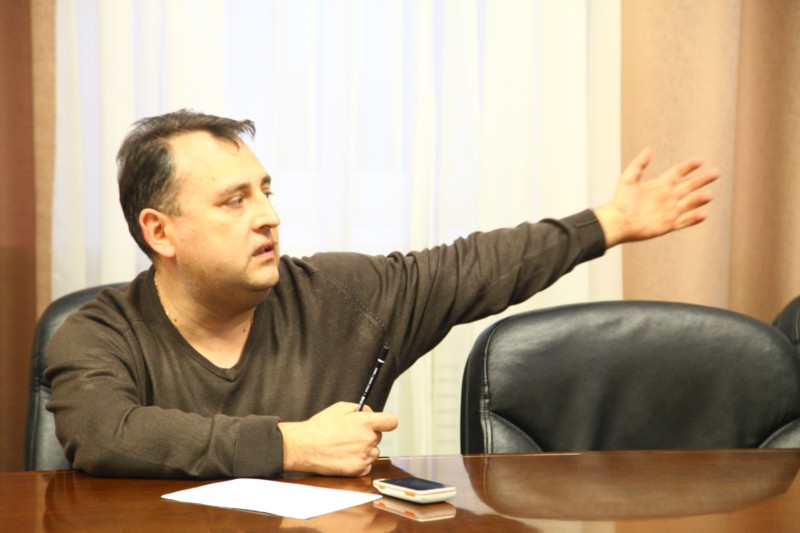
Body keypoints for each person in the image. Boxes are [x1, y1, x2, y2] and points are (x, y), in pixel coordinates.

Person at [45, 109, 719, 480]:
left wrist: (608, 223)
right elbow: (104, 434)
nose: (269, 216)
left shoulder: (342, 296)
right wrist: (291, 445)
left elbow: (475, 265)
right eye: (234, 200)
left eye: (266, 191)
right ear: (160, 231)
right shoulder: (96, 331)